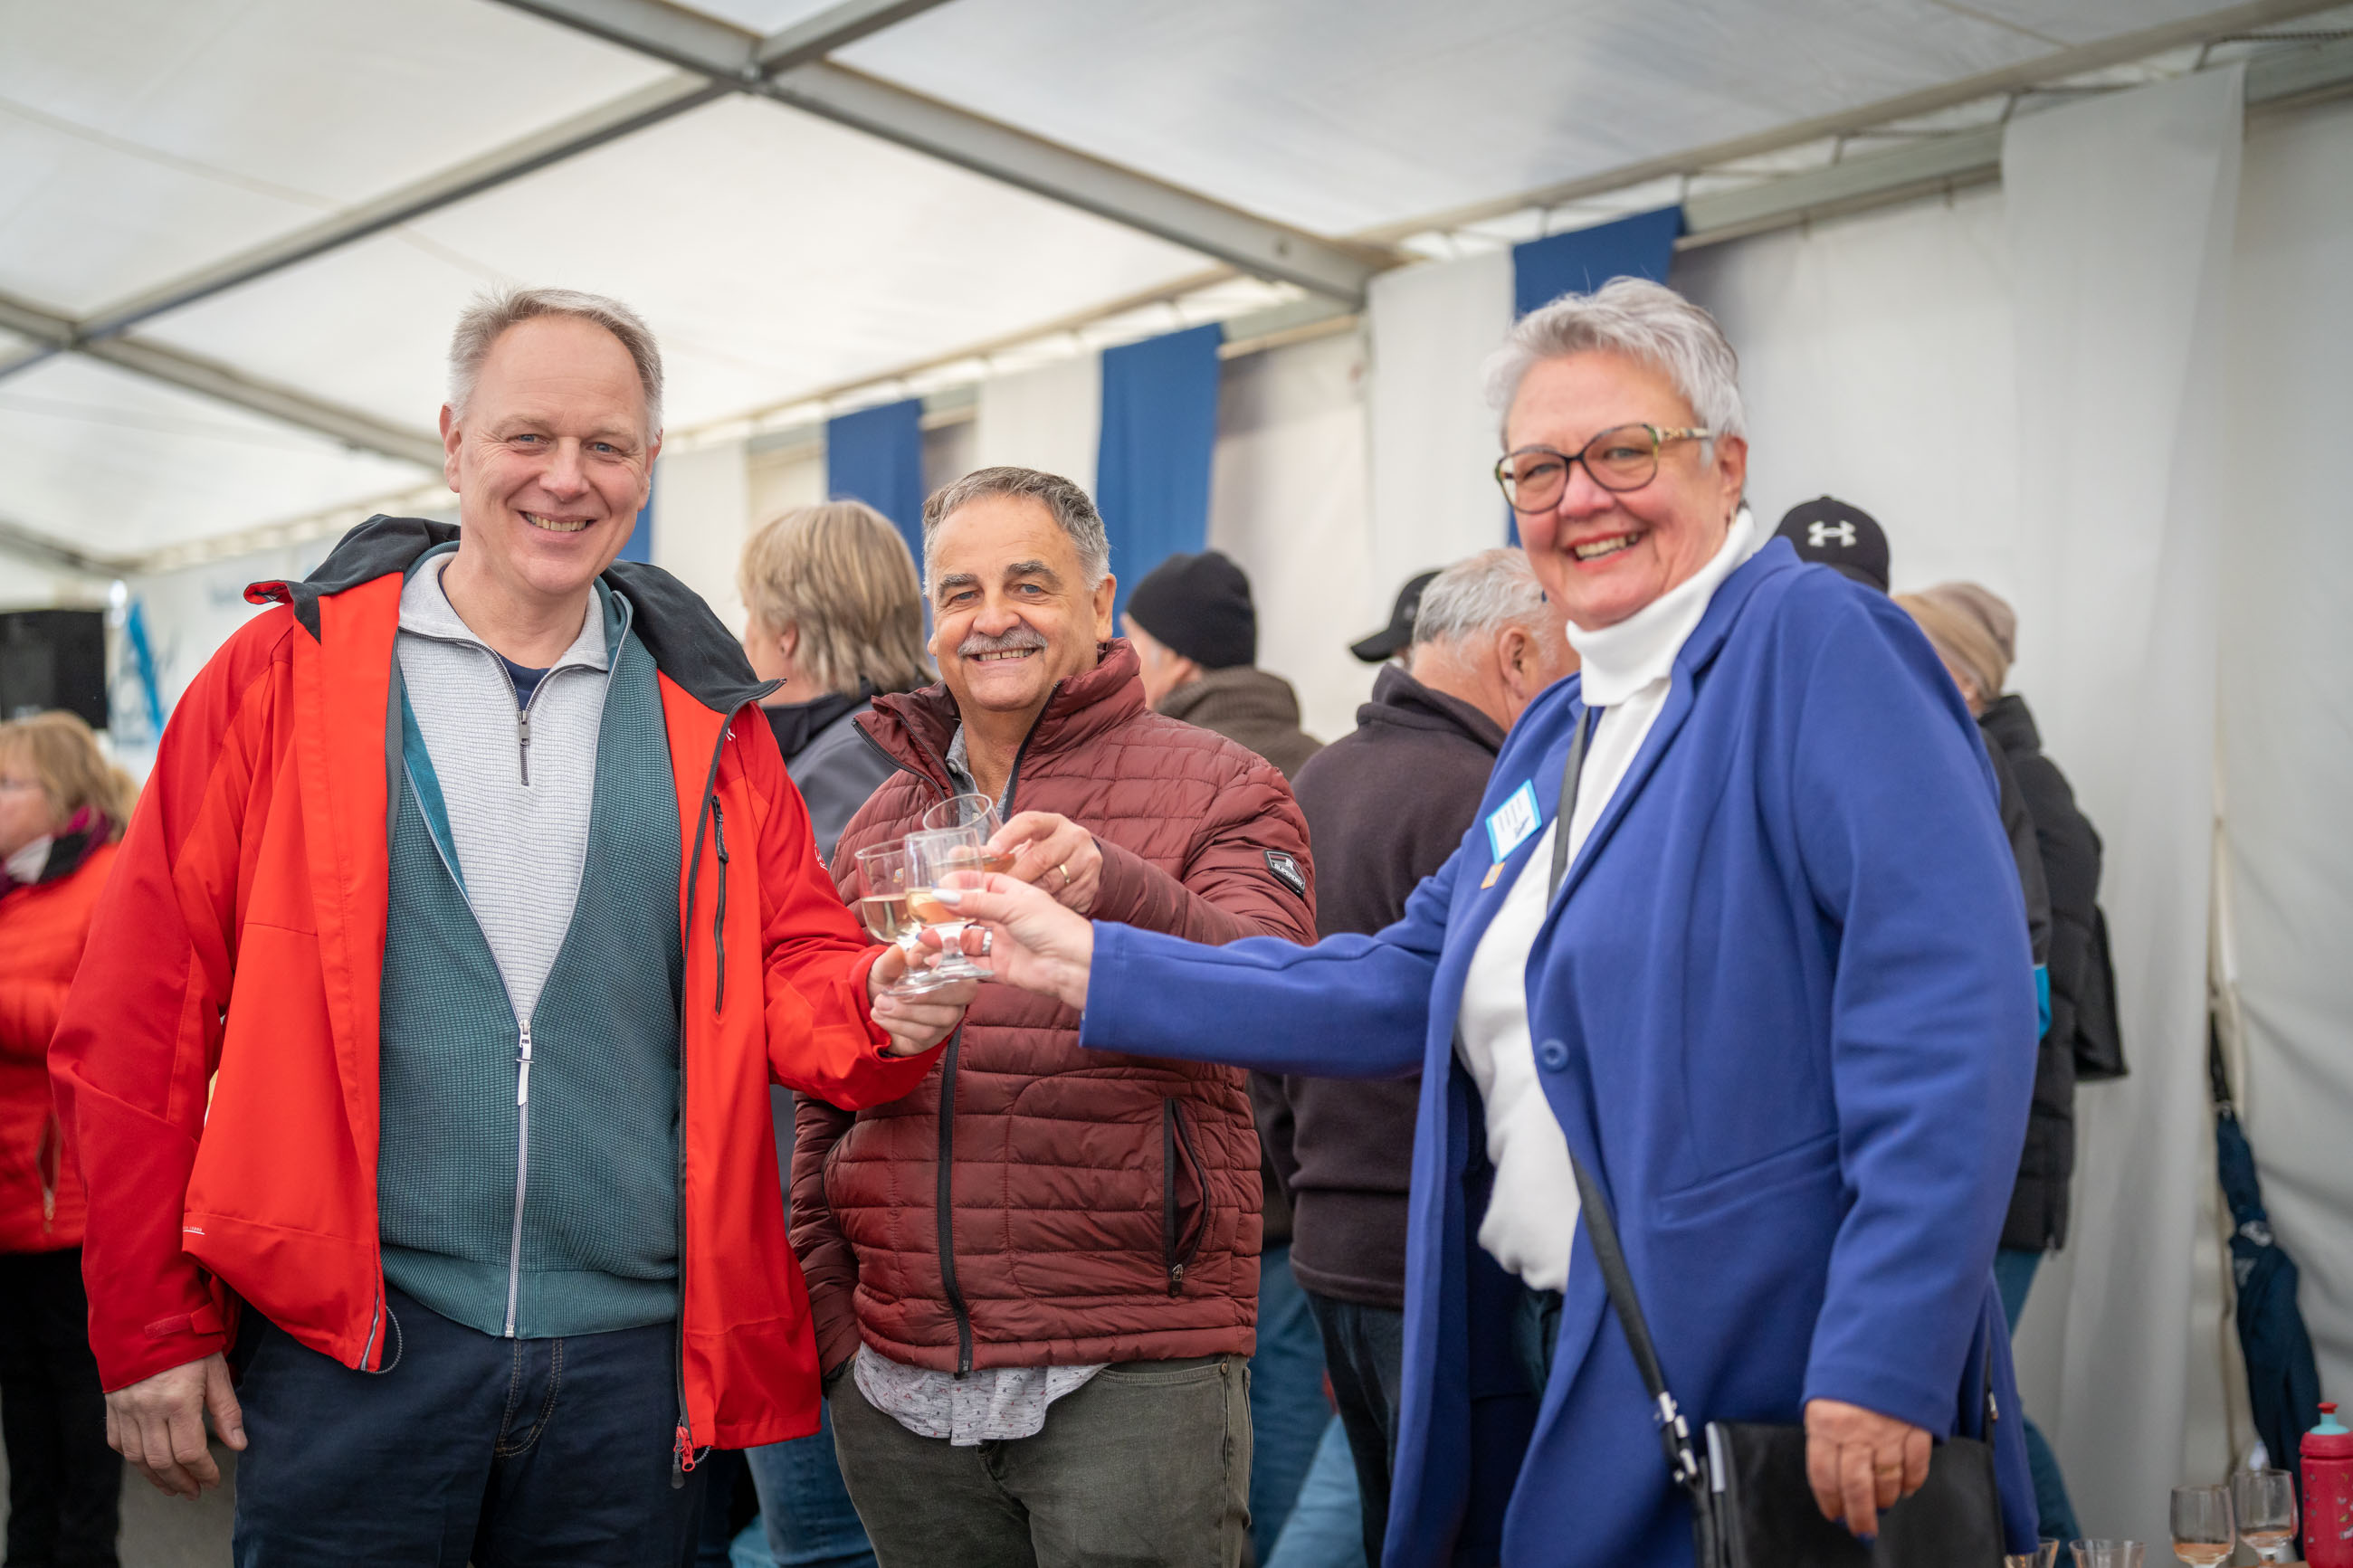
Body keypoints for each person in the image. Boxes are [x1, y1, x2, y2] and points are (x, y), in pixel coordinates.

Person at [929, 280, 2042, 1564]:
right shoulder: (1561, 727)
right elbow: (1402, 977)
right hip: (1546, 1337)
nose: (1580, 497)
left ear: (1727, 464)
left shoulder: (1818, 645)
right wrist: (1091, 960)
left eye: (1624, 451)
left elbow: (1947, 1011)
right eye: (1538, 468)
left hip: (1758, 1358)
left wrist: (1887, 1348)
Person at [49, 287, 969, 1566]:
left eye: (606, 446)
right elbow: (140, 1009)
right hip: (353, 1343)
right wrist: (151, 1321)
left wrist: (883, 1002)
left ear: (649, 465)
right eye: (527, 436)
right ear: (453, 442)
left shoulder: (708, 713)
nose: (565, 477)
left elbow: (790, 963)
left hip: (628, 1366)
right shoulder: (283, 676)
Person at [794, 465, 1317, 1568]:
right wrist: (834, 1314)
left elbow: (1274, 993)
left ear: (1098, 602)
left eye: (1027, 584)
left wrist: (1112, 883)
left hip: (1128, 1371)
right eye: (960, 592)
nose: (991, 618)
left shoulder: (1225, 783)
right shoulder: (882, 817)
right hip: (900, 1385)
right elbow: (822, 1086)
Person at [1275, 547, 1573, 1567]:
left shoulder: (1318, 775)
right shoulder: (1491, 802)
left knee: (1390, 1530)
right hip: (1448, 1258)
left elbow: (1280, 1013)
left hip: (1330, 1242)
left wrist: (1308, 1177)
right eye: (1570, 656)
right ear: (1517, 652)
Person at [737, 503, 932, 1566]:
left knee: (823, 1538)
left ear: (787, 631)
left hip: (821, 1227)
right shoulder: (923, 751)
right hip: (851, 1222)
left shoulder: (833, 779)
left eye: (749, 614)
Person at [1898, 580, 2110, 1544]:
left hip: (2004, 1154)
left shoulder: (2021, 794)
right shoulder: (1992, 775)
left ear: (1962, 680)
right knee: (1978, 1399)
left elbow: (2021, 1002)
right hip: (1997, 1147)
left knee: (1982, 1403)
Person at [1122, 546, 1324, 1561]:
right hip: (1311, 1171)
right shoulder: (1319, 753)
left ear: (1173, 657)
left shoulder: (1176, 779)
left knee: (1228, 1441)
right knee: (1293, 1411)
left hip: (1199, 1176)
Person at [0, 713, 135, 1568]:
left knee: (82, 1418)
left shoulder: (109, 878)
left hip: (70, 1206)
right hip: (13, 1200)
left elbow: (104, 1021)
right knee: (24, 1420)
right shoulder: (12, 885)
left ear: (61, 796)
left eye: (7, 783)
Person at [741, 499, 935, 861]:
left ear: (785, 631)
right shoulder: (908, 728)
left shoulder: (845, 766)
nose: (746, 636)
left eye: (750, 611)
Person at [1126, 548, 1322, 777]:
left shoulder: (1154, 771)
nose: (1118, 652)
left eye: (1132, 637)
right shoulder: (1323, 764)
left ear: (1177, 659)